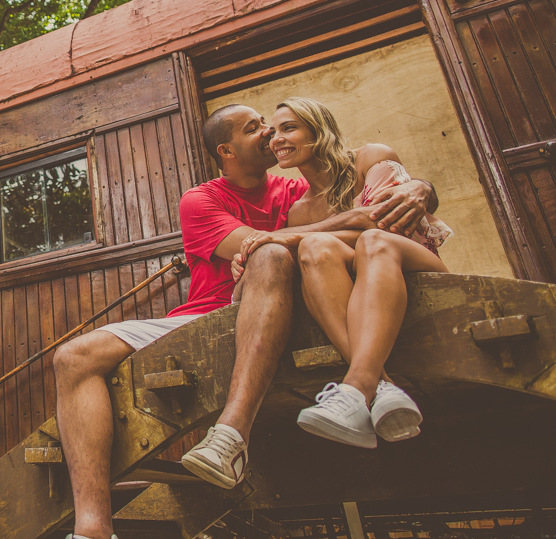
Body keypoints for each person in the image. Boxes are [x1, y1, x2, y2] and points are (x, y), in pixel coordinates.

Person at [53, 104, 436, 539]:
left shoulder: (296, 191)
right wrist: (343, 220)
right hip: (209, 315)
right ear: (226, 150)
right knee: (73, 356)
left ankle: (232, 436)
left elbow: (317, 222)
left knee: (272, 254)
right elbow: (254, 248)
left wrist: (422, 186)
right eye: (255, 128)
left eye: (273, 125)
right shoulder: (201, 200)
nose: (269, 132)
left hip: (288, 308)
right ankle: (92, 529)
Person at [232, 97, 451, 449]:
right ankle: (380, 388)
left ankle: (357, 385)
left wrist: (286, 236)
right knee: (315, 248)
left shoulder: (370, 158)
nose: (277, 140)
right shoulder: (301, 209)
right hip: (362, 291)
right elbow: (316, 248)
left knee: (372, 242)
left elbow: (384, 224)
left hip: (414, 267)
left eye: (289, 128)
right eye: (274, 133)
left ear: (318, 130)